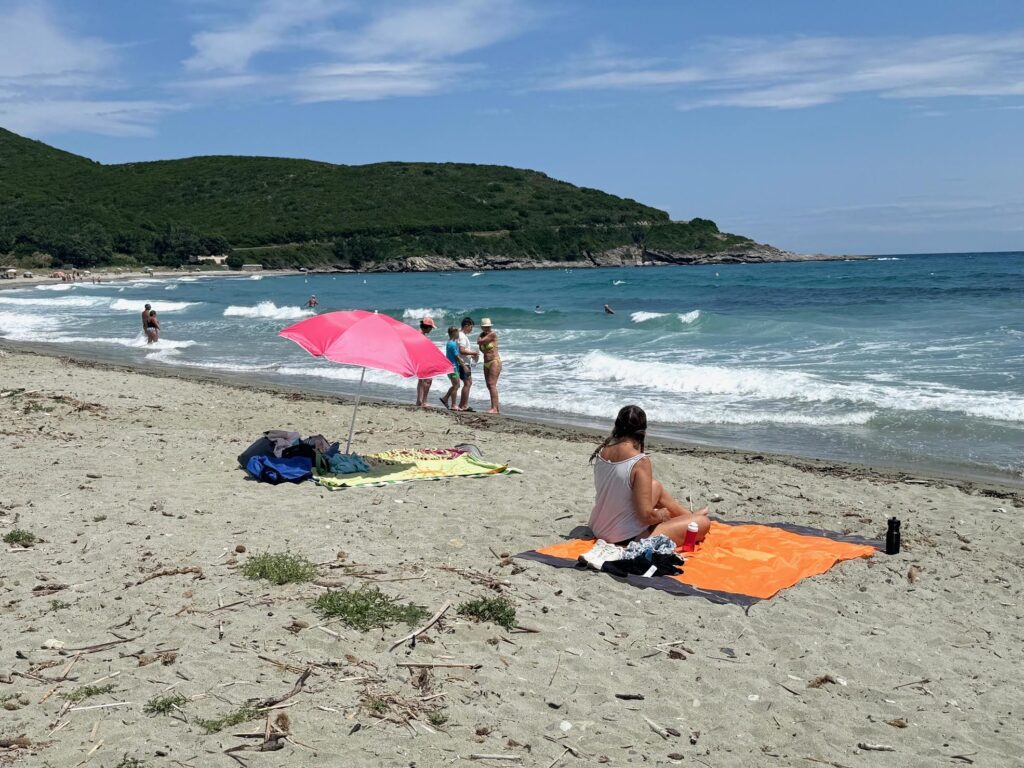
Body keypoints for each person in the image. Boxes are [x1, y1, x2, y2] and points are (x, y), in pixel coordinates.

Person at [588, 405, 710, 547]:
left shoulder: (602, 451)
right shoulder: (639, 461)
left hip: (598, 527)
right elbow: (645, 516)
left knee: (655, 486)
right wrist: (661, 515)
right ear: (642, 431)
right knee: (703, 524)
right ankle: (694, 518)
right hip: (623, 538)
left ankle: (689, 515)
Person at [478, 318, 501, 414]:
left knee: (492, 384)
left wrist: (480, 340)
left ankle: (494, 408)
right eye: (485, 327)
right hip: (486, 362)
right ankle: (495, 407)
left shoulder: (492, 334)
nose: (487, 328)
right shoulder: (481, 335)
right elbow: (480, 346)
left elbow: (480, 342)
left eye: (488, 327)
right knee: (489, 385)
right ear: (482, 327)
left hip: (494, 361)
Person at [457, 317, 479, 411]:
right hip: (463, 364)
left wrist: (471, 355)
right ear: (466, 326)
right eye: (471, 327)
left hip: (463, 362)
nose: (471, 329)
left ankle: (462, 404)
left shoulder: (460, 335)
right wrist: (473, 353)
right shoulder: (462, 336)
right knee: (468, 383)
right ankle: (463, 405)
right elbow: (462, 350)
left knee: (467, 383)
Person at [415, 317, 436, 407]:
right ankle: (424, 401)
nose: (431, 330)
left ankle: (419, 401)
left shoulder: (417, 333)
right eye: (431, 328)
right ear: (427, 327)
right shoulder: (421, 335)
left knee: (421, 380)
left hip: (418, 360)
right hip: (422, 360)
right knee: (428, 379)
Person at [440, 326, 462, 410]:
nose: (458, 334)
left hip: (452, 366)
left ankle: (445, 398)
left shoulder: (452, 342)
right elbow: (457, 357)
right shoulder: (452, 344)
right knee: (456, 385)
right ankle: (453, 405)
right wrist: (463, 365)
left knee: (456, 385)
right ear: (453, 333)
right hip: (452, 367)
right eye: (457, 332)